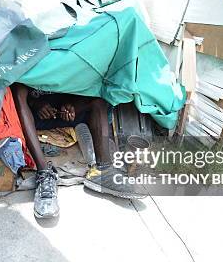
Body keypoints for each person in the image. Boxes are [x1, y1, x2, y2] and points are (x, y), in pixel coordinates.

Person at [11, 84, 146, 219]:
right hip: (34, 116)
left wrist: (72, 105)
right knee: (17, 93)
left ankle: (103, 170)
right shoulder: (27, 63)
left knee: (99, 100)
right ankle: (44, 173)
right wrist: (36, 104)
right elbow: (18, 90)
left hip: (68, 113)